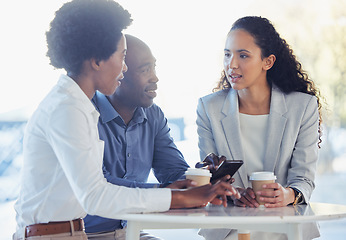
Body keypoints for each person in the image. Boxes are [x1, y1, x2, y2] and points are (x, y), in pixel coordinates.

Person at [13, 1, 240, 239]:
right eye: (121, 57)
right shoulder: (67, 108)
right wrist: (178, 197)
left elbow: (97, 190)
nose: (123, 69)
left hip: (75, 232)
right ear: (97, 60)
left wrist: (200, 182)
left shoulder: (76, 104)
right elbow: (95, 195)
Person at [196, 16, 322, 240]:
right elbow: (211, 173)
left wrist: (288, 195)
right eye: (227, 54)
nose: (231, 64)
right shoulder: (209, 108)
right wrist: (234, 193)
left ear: (268, 62)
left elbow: (304, 177)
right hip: (229, 229)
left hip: (286, 228)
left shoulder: (302, 107)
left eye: (243, 55)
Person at [84, 34, 190, 239]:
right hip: (87, 234)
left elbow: (173, 172)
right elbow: (101, 184)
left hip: (129, 232)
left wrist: (203, 179)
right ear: (118, 73)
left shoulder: (154, 115)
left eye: (154, 67)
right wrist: (166, 192)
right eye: (145, 70)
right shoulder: (85, 112)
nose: (155, 78)